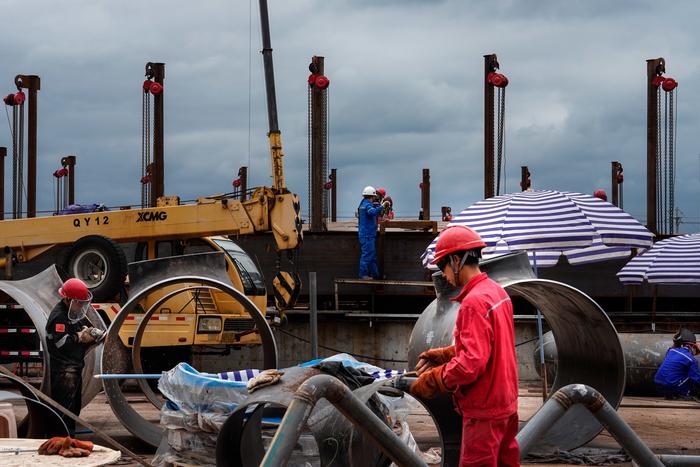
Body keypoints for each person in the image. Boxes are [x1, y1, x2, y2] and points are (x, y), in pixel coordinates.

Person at [411, 225, 519, 466]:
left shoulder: (473, 302)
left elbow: (471, 364)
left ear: (456, 260)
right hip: (506, 406)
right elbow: (490, 348)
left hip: (483, 412)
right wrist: (444, 354)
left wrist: (433, 380)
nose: (444, 275)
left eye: (443, 267)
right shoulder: (497, 293)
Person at [45, 278, 100, 433]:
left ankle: (69, 438)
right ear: (68, 299)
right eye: (79, 302)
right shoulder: (59, 317)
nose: (81, 305)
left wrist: (89, 332)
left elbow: (76, 328)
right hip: (64, 371)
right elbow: (61, 344)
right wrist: (79, 337)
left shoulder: (72, 313)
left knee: (74, 409)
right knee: (64, 410)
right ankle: (61, 439)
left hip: (73, 368)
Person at [654, 327, 700, 400]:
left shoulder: (670, 351)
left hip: (658, 385)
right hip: (672, 385)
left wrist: (676, 341)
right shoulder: (691, 359)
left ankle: (671, 394)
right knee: (693, 377)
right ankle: (685, 394)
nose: (694, 353)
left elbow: (674, 346)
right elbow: (697, 379)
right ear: (691, 346)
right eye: (695, 350)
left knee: (679, 372)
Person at [357, 186, 388, 279]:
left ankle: (375, 275)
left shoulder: (362, 203)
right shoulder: (367, 205)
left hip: (366, 234)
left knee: (372, 256)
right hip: (367, 235)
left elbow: (370, 215)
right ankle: (363, 275)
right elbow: (373, 212)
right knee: (367, 255)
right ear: (372, 196)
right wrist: (382, 206)